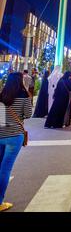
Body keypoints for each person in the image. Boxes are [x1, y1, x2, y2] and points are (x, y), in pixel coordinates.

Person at [0, 72, 32, 212]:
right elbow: (28, 114)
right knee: (5, 169)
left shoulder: (2, 95)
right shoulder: (24, 96)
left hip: (1, 134)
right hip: (15, 136)